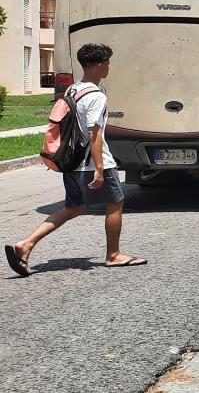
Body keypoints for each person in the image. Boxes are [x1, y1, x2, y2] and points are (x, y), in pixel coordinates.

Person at [5, 43, 146, 277]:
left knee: (74, 207)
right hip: (92, 161)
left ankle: (25, 244)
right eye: (108, 63)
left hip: (72, 161)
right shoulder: (96, 96)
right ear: (100, 66)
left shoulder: (72, 90)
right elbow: (94, 133)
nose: (109, 67)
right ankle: (113, 255)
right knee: (116, 203)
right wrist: (100, 169)